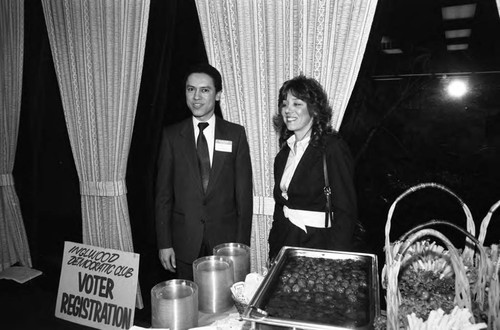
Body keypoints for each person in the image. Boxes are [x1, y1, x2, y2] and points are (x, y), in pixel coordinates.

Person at [155, 63, 253, 281]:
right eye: (191, 89)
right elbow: (163, 196)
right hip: (184, 244)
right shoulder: (171, 137)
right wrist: (164, 243)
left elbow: (244, 198)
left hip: (224, 245)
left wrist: (240, 247)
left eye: (205, 90)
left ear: (218, 95)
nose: (196, 97)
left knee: (224, 310)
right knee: (188, 308)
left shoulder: (235, 135)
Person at [268, 74, 358, 260]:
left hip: (319, 246)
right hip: (285, 243)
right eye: (284, 104)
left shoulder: (332, 148)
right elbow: (281, 206)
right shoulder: (283, 154)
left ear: (314, 109)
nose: (288, 110)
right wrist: (273, 250)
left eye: (297, 104)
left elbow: (345, 212)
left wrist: (335, 260)